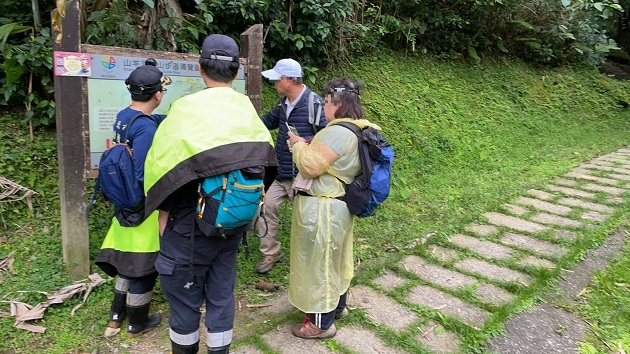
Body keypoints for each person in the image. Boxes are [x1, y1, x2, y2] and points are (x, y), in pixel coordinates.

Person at [143, 34, 277, 354]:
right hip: (231, 224)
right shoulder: (247, 109)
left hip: (188, 224)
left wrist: (163, 216)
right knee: (221, 295)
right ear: (236, 73)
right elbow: (268, 163)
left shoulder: (184, 109)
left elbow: (161, 169)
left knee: (185, 302)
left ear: (200, 68)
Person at [286, 78, 380, 339]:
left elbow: (310, 166)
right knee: (334, 260)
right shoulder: (359, 129)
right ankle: (336, 307)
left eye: (325, 102)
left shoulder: (337, 132)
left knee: (321, 264)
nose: (324, 108)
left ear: (335, 102)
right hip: (337, 206)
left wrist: (297, 144)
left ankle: (320, 324)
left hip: (324, 208)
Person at [94, 59, 170, 338]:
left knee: (126, 261)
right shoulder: (146, 128)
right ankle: (137, 322)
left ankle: (116, 316)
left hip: (122, 202)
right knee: (142, 265)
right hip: (141, 205)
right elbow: (142, 174)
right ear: (158, 94)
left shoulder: (125, 116)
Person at [255, 58, 327, 274]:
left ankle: (308, 258)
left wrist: (303, 142)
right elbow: (265, 122)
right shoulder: (282, 105)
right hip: (281, 172)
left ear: (291, 80)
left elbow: (327, 136)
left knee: (306, 219)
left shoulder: (315, 104)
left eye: (278, 78)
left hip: (304, 175)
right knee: (265, 207)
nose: (275, 82)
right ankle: (271, 252)